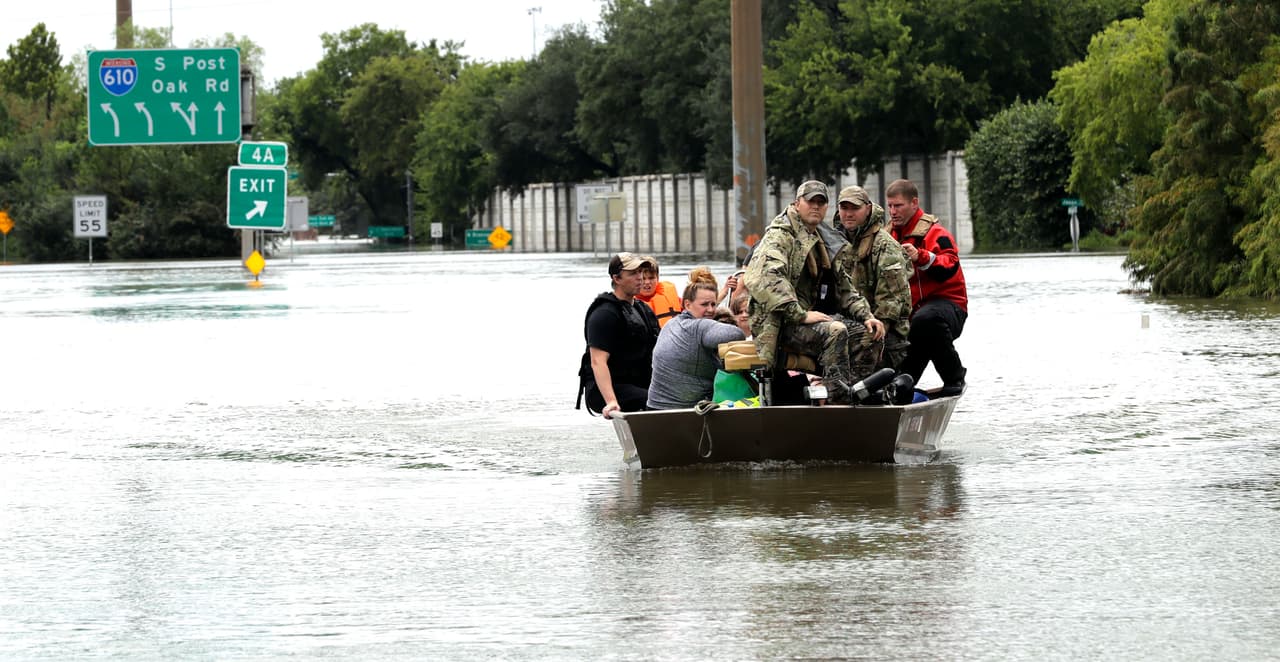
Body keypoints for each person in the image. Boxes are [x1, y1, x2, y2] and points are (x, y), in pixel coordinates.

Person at [741, 180, 886, 404]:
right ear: (797, 203)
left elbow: (845, 288)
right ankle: (836, 400)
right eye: (810, 202)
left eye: (821, 202)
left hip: (806, 320)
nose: (816, 207)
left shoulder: (822, 238)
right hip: (780, 322)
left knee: (869, 334)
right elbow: (764, 278)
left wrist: (867, 316)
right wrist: (800, 314)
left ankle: (854, 394)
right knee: (835, 331)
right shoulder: (780, 235)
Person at [886, 178, 968, 395]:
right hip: (912, 319)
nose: (893, 211)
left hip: (948, 309)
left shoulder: (936, 234)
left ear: (914, 203)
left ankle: (954, 377)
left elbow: (950, 266)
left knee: (926, 320)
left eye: (898, 205)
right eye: (890, 206)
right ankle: (899, 392)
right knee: (897, 380)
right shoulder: (887, 236)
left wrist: (921, 257)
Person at [832, 185, 912, 373]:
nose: (849, 214)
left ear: (867, 209)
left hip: (886, 335)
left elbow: (890, 303)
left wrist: (870, 335)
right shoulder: (836, 243)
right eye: (844, 208)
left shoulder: (885, 246)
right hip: (848, 326)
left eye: (855, 208)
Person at [647, 268, 747, 409]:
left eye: (713, 304)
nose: (711, 310)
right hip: (681, 412)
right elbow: (737, 334)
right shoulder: (699, 327)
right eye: (705, 304)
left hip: (653, 406)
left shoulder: (672, 323)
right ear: (687, 304)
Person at [577, 253, 661, 418]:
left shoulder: (643, 310)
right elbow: (597, 361)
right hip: (607, 388)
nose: (640, 278)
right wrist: (611, 401)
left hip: (638, 382)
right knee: (657, 401)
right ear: (617, 278)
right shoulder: (604, 313)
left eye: (640, 272)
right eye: (633, 274)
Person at [635, 256, 683, 327]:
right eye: (643, 278)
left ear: (657, 278)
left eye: (651, 278)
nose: (647, 282)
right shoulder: (629, 304)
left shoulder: (677, 300)